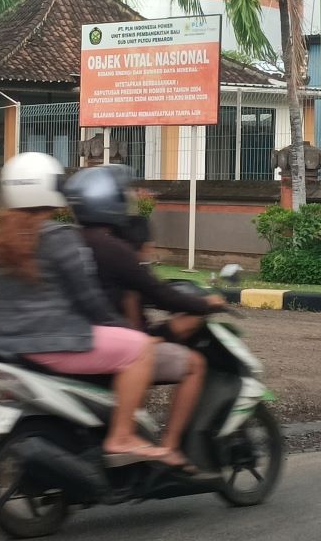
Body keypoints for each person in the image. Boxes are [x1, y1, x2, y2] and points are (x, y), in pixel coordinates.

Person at [0, 152, 166, 465]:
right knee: (141, 349)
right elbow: (88, 298)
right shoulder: (59, 237)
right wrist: (120, 327)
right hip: (55, 343)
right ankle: (121, 436)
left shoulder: (2, 238)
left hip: (1, 346)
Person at [64, 165, 224, 473]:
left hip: (76, 339)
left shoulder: (69, 241)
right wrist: (206, 304)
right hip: (112, 344)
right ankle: (170, 447)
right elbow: (162, 295)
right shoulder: (114, 249)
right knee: (194, 364)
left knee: (161, 339)